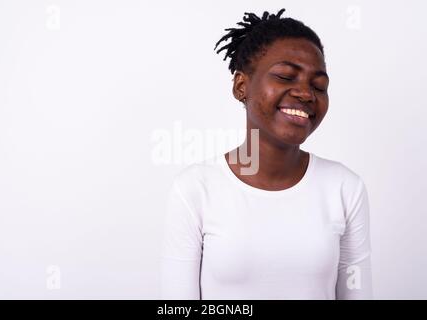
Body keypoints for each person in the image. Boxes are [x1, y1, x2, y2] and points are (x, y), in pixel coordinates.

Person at [160, 9, 373, 300]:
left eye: (319, 86)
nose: (306, 94)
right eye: (286, 76)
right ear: (241, 86)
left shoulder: (345, 188)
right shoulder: (195, 190)